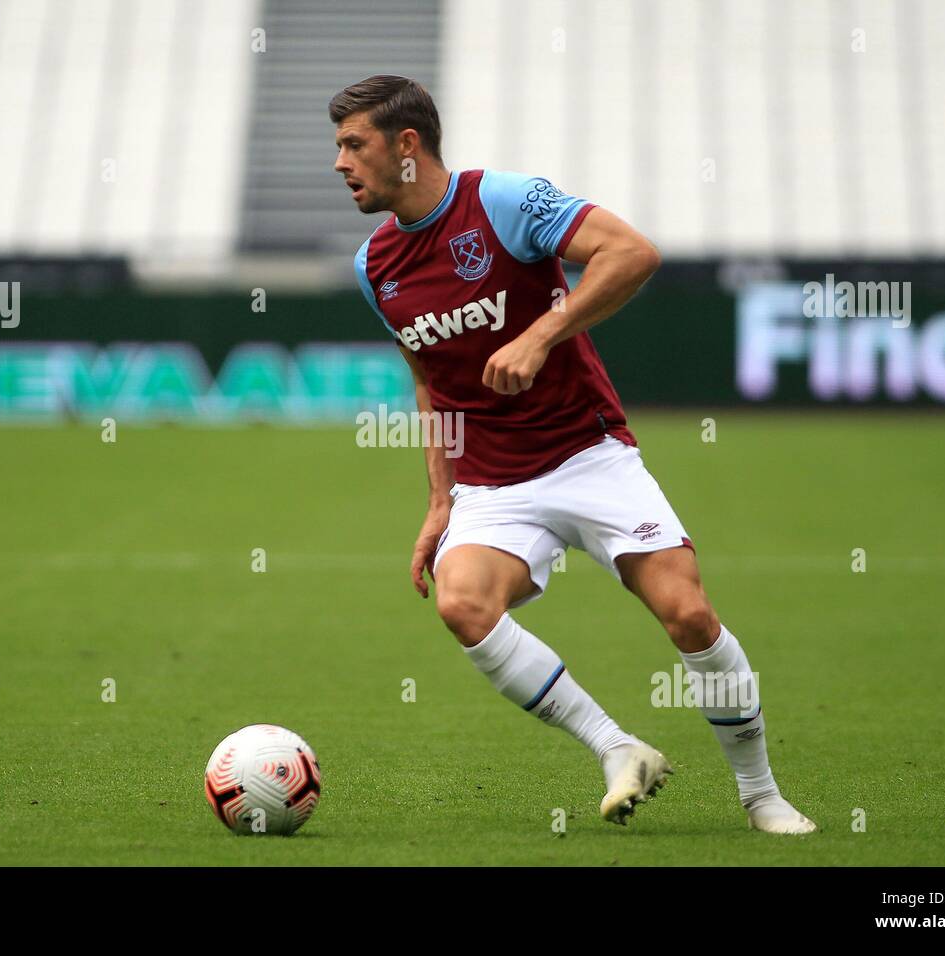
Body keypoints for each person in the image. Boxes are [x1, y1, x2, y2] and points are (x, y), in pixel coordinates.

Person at [332, 74, 815, 834]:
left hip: (589, 455)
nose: (340, 162)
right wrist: (439, 500)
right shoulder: (374, 267)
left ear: (406, 145)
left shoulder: (502, 202)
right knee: (462, 604)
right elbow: (430, 384)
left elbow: (632, 253)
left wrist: (540, 333)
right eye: (338, 147)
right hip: (493, 485)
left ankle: (761, 796)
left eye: (352, 144)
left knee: (688, 616)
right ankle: (617, 747)